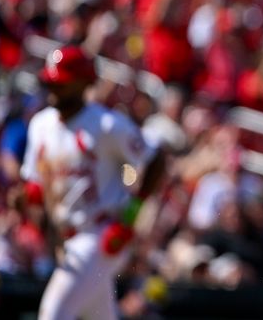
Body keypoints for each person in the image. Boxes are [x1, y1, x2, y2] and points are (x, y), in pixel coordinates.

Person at [19, 44, 166, 320]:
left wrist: (131, 216)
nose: (54, 89)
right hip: (67, 238)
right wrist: (27, 202)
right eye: (51, 82)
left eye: (61, 83)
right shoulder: (40, 125)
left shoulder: (107, 124)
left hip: (100, 234)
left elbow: (155, 160)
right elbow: (36, 185)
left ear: (84, 83)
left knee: (53, 314)